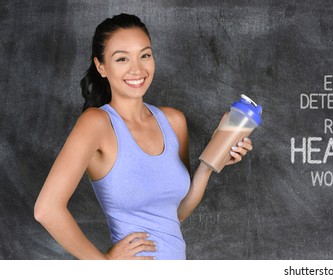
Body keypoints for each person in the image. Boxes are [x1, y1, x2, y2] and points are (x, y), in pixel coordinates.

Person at [33, 13, 252, 260]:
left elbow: (174, 214)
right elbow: (46, 209)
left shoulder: (173, 121)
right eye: (122, 58)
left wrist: (210, 164)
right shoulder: (96, 124)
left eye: (145, 55)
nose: (137, 69)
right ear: (101, 66)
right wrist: (104, 266)